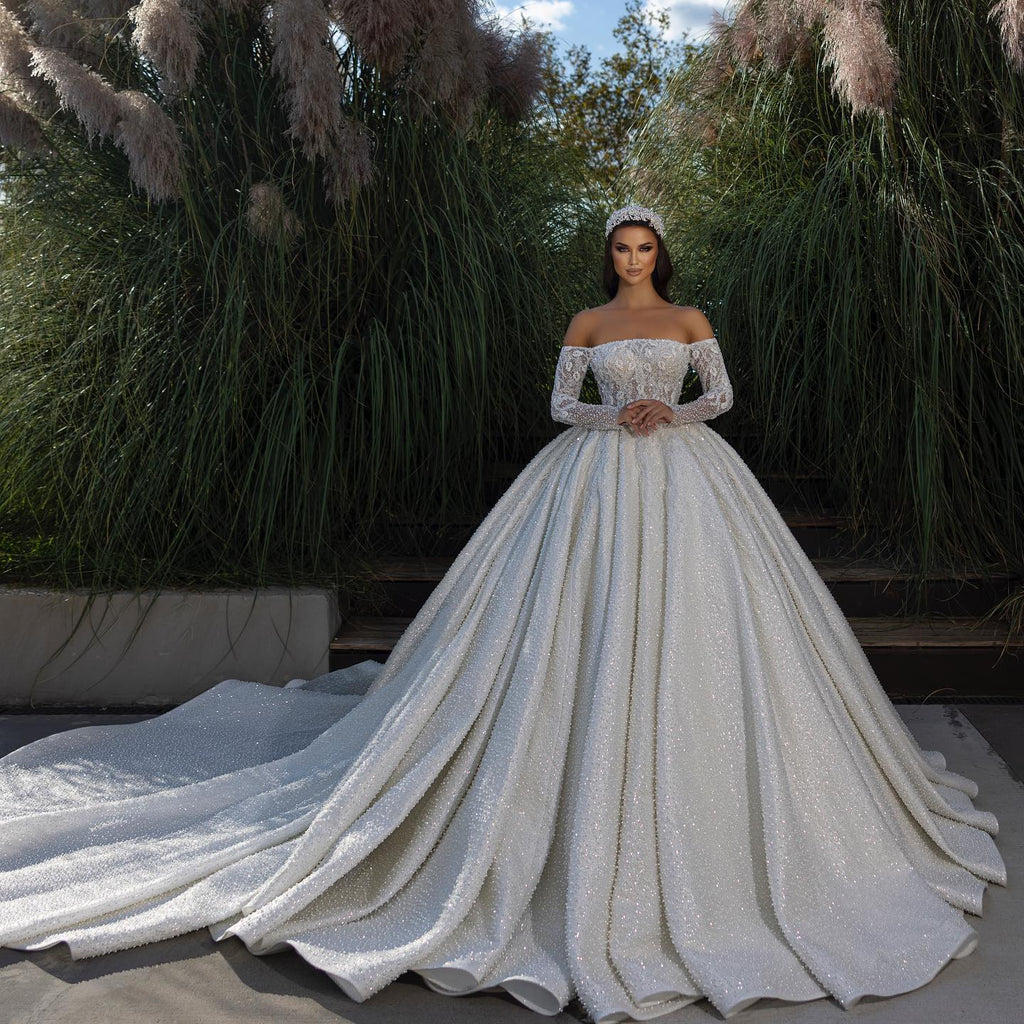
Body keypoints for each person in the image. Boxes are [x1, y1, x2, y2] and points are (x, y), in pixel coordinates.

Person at [0, 205, 1006, 1022]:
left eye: (643, 245)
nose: (630, 257)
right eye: (619, 245)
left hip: (692, 481)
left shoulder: (690, 318)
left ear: (661, 252)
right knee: (568, 625)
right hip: (593, 477)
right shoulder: (586, 326)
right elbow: (564, 407)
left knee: (717, 630)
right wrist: (616, 412)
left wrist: (673, 409)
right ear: (608, 253)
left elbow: (723, 397)